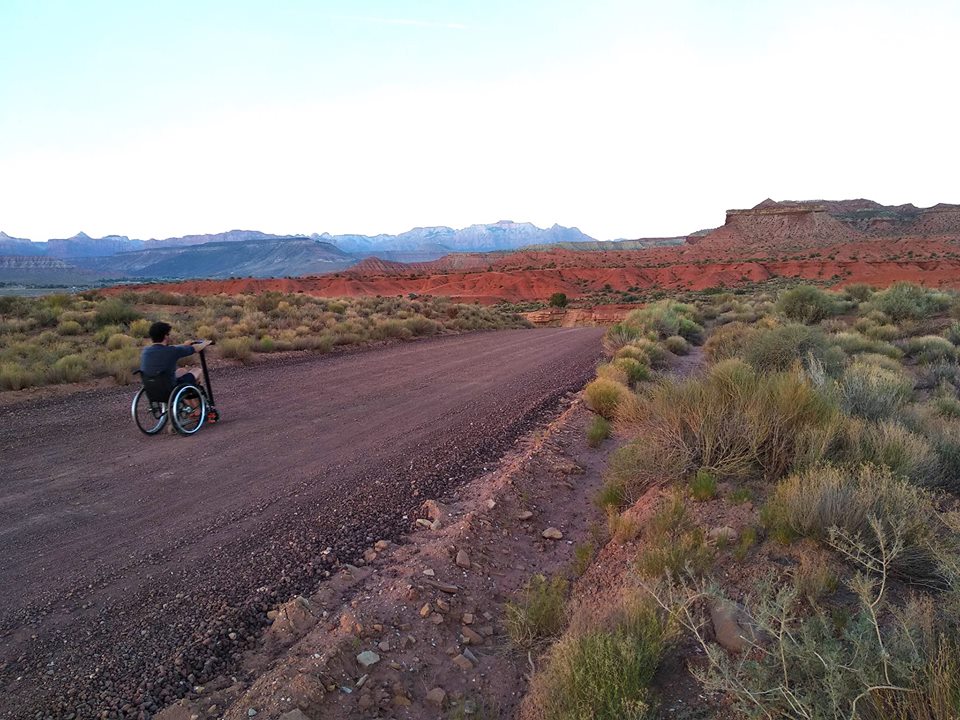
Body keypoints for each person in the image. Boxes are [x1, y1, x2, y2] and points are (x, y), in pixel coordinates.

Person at [140, 321, 211, 390]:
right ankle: (199, 398)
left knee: (181, 371)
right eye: (168, 334)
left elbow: (171, 348)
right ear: (165, 336)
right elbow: (195, 348)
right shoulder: (171, 351)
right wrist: (205, 343)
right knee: (197, 371)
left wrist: (184, 345)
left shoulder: (146, 350)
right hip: (170, 387)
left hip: (153, 388)